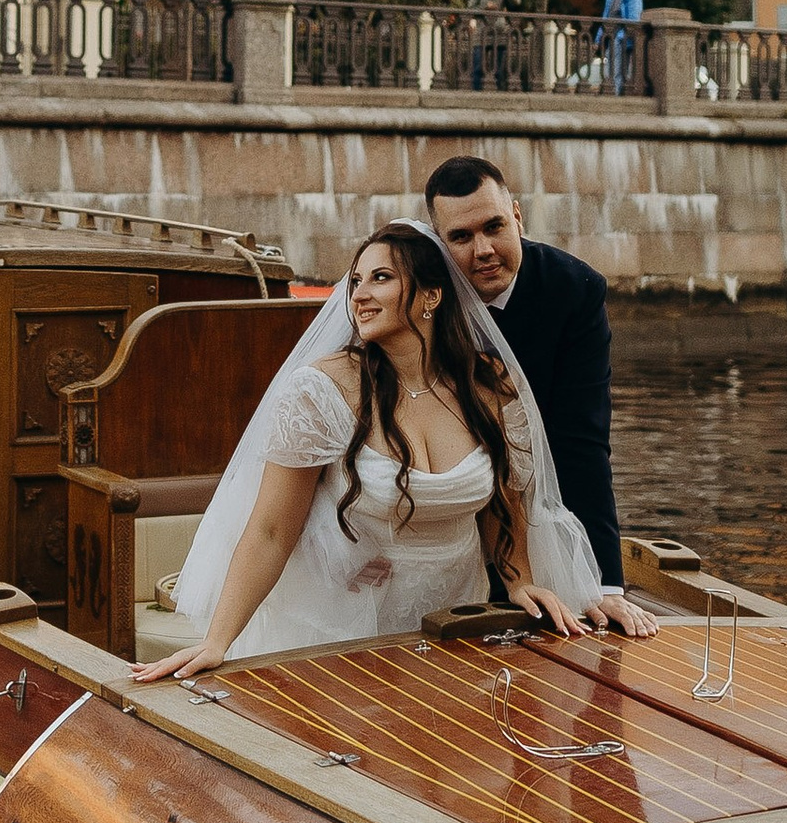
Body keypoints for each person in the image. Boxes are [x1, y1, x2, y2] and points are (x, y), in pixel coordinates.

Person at [132, 216, 600, 679]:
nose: (358, 294)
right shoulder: (323, 390)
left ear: (432, 296)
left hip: (454, 616)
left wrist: (519, 580)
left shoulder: (489, 387)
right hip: (341, 614)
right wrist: (217, 642)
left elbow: (508, 499)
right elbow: (271, 530)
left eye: (381, 278)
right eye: (355, 280)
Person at [421, 153, 656, 634]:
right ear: (439, 243)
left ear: (518, 217)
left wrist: (604, 585)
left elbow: (582, 441)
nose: (482, 250)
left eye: (494, 227)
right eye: (461, 238)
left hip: (531, 498)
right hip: (442, 504)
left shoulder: (575, 290)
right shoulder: (423, 293)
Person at [593, 0, 644, 95]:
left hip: (622, 37)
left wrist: (622, 36)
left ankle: (614, 95)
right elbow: (605, 18)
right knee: (611, 68)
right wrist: (598, 40)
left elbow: (633, 19)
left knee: (617, 70)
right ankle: (612, 93)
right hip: (611, 36)